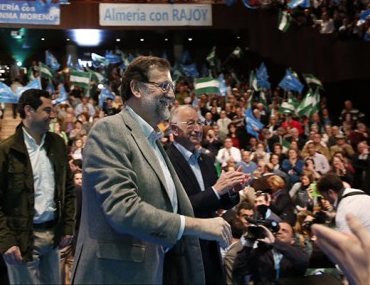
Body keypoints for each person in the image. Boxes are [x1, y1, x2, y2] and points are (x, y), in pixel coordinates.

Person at [72, 56, 231, 284]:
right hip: (115, 274)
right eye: (164, 86)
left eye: (172, 87)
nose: (172, 95)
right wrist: (198, 226)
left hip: (153, 271)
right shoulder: (109, 130)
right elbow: (122, 209)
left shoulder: (154, 141)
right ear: (136, 88)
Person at [0, 89, 75, 284]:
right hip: (21, 239)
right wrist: (5, 241)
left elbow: (67, 188)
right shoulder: (5, 150)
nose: (52, 115)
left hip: (53, 237)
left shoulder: (57, 143)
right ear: (28, 110)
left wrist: (68, 225)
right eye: (47, 110)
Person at [166, 105, 248, 284]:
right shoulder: (165, 162)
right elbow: (178, 207)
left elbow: (219, 202)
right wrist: (216, 190)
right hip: (183, 248)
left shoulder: (208, 160)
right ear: (174, 129)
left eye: (199, 123)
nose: (197, 128)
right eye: (190, 123)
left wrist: (232, 191)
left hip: (210, 246)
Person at [316, 173, 370, 241]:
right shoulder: (357, 192)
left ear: (330, 192)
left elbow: (347, 247)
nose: (324, 199)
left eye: (323, 195)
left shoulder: (344, 210)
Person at [233, 220, 309, 284]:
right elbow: (239, 269)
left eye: (284, 230)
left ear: (292, 240)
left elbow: (303, 261)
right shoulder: (261, 253)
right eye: (277, 229)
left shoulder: (296, 253)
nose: (279, 232)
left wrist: (275, 242)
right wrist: (248, 244)